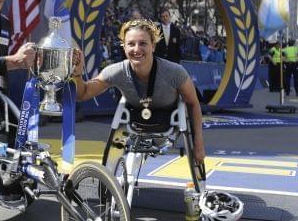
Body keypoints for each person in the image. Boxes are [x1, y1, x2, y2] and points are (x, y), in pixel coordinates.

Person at [71, 19, 205, 163]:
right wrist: (77, 75)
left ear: (153, 46)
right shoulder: (117, 71)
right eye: (131, 44)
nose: (136, 49)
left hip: (169, 119)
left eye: (143, 43)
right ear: (124, 47)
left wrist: (198, 144)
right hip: (137, 118)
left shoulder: (174, 72)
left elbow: (193, 104)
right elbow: (83, 94)